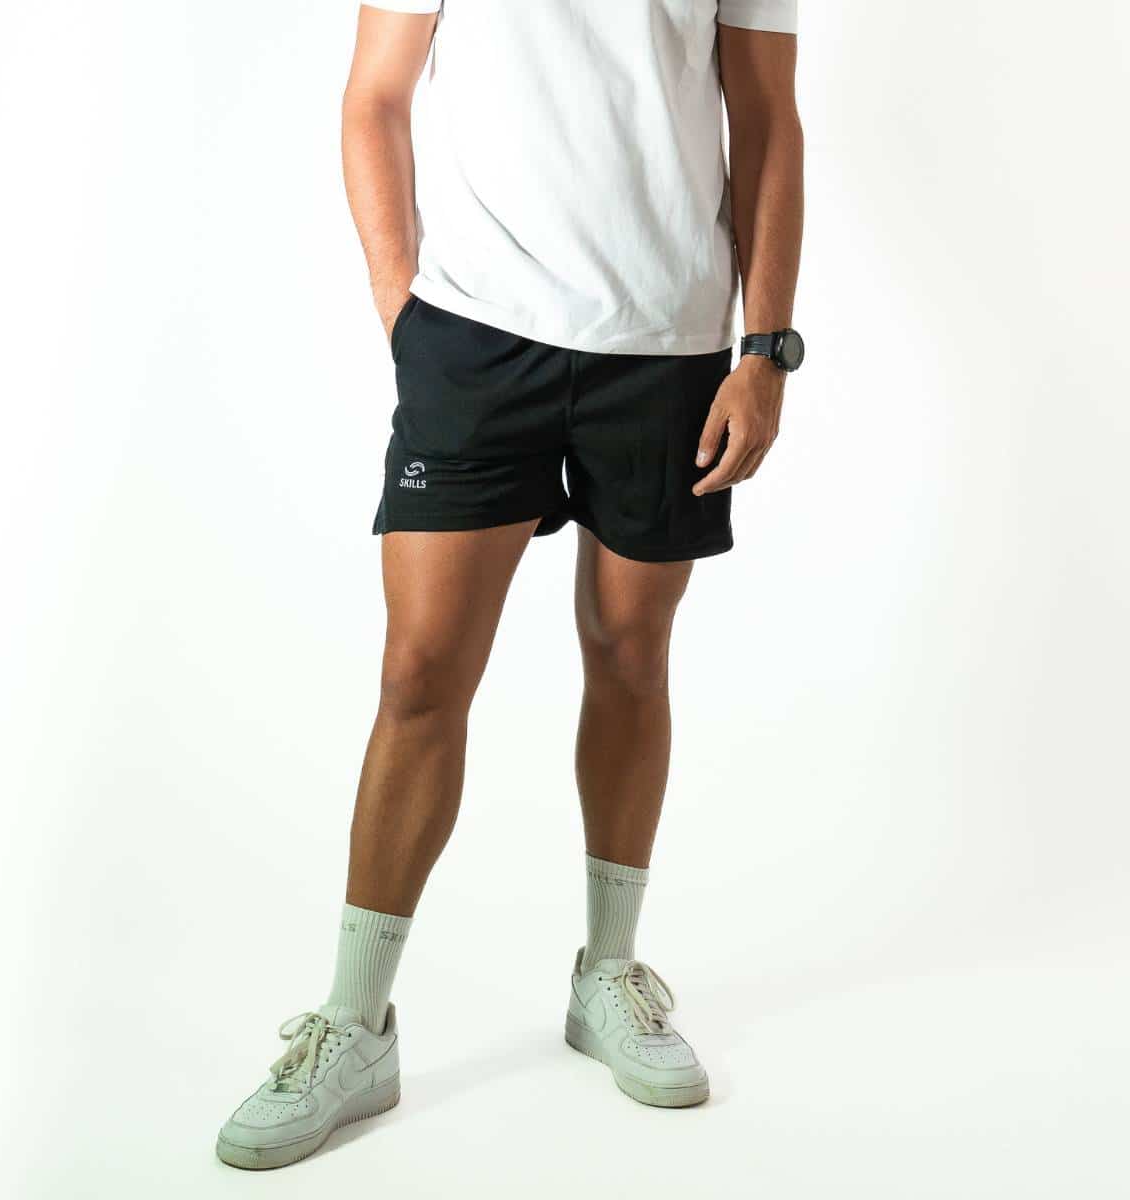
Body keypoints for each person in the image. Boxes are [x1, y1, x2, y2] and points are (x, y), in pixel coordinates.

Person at [217, 0, 804, 1170]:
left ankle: (607, 976)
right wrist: (404, 310)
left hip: (669, 349)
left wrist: (764, 350)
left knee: (631, 654)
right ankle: (354, 1025)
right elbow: (375, 96)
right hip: (476, 338)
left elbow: (767, 119)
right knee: (421, 672)